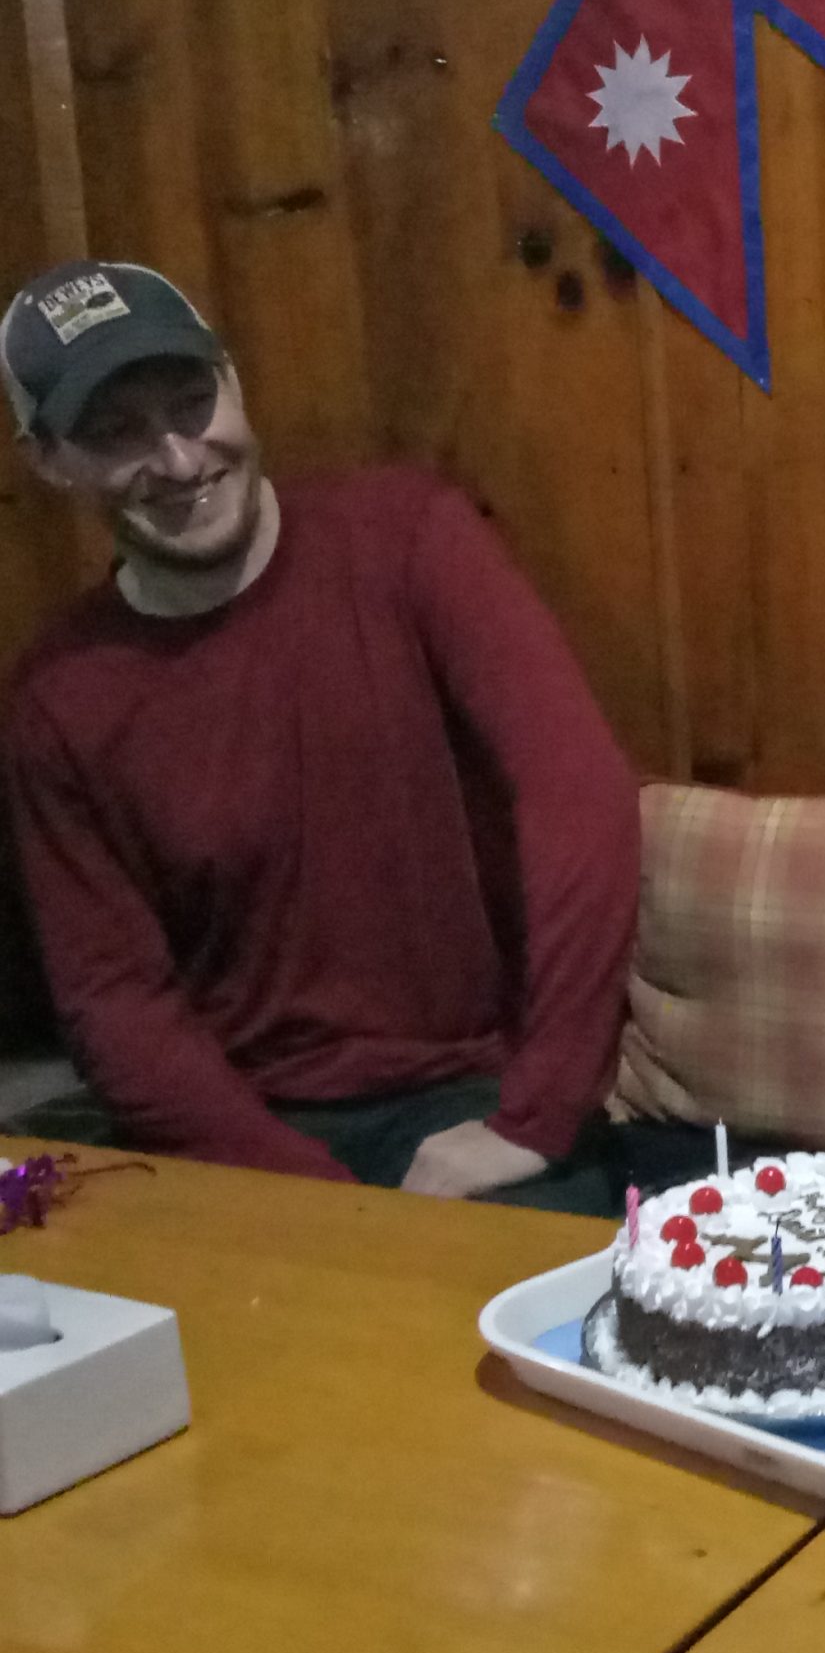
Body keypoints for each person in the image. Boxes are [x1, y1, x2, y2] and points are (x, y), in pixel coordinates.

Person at [1, 262, 639, 1214]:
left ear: (233, 379)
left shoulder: (407, 537)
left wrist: (536, 1113)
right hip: (236, 1138)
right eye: (117, 432)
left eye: (191, 403)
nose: (178, 459)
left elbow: (581, 800)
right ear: (50, 460)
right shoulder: (59, 697)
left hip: (471, 1101)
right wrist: (329, 1207)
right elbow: (115, 1001)